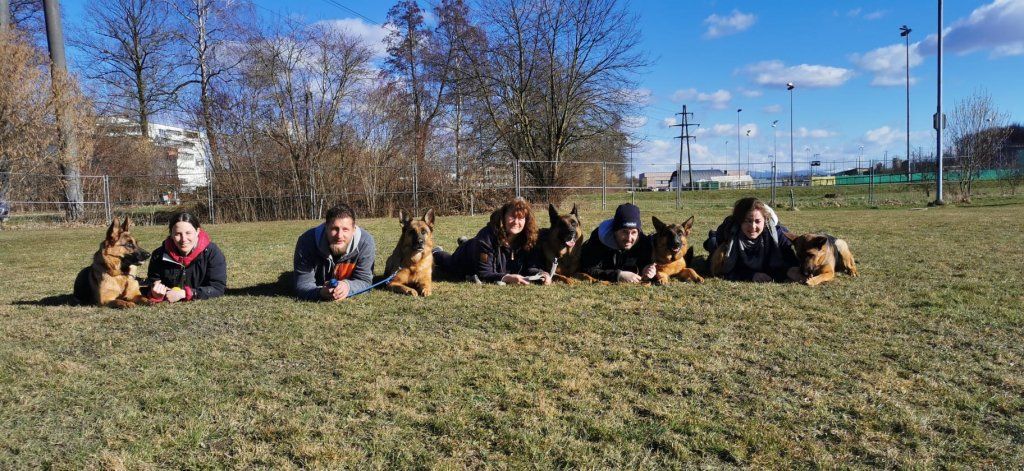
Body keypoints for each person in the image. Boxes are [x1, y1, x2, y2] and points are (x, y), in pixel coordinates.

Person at [434, 197, 549, 285]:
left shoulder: (529, 239)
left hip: (478, 247)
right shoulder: (486, 238)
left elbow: (531, 266)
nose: (516, 222)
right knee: (448, 262)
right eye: (512, 217)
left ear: (526, 221)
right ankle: (436, 252)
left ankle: (465, 242)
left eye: (521, 218)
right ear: (503, 217)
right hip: (466, 257)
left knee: (475, 246)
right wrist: (506, 277)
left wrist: (541, 274)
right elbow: (484, 273)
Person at [704, 197, 801, 282]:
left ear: (765, 220)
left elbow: (790, 259)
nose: (753, 227)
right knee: (713, 244)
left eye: (758, 221)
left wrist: (790, 270)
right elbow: (721, 269)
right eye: (748, 221)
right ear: (740, 221)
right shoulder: (728, 234)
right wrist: (751, 275)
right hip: (717, 241)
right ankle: (712, 238)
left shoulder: (778, 235)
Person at [293, 204, 376, 300]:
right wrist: (320, 292)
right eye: (334, 229)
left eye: (345, 229)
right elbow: (302, 284)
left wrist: (348, 287)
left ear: (354, 230)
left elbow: (365, 281)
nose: (339, 236)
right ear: (325, 228)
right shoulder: (307, 241)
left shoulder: (365, 242)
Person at [146, 212, 227, 302]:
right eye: (178, 234)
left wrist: (187, 293)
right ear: (171, 234)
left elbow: (218, 288)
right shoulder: (158, 255)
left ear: (197, 231)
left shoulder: (212, 253)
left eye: (188, 233)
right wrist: (155, 293)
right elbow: (152, 282)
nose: (184, 239)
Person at [579, 203, 656, 283]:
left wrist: (646, 269)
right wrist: (618, 275)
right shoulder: (598, 238)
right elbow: (588, 268)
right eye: (624, 232)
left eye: (633, 232)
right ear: (615, 231)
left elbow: (646, 263)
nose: (629, 238)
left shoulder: (643, 242)